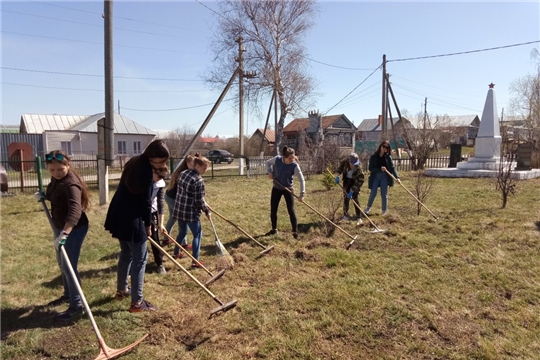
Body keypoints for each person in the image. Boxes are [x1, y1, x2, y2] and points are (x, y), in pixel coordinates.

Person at [104, 139, 170, 312]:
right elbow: (146, 202)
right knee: (140, 259)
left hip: (118, 213)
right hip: (131, 218)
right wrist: (148, 225)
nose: (162, 164)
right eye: (161, 161)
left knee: (126, 253)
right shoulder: (146, 171)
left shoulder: (134, 162)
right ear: (152, 156)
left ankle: (121, 290)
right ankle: (137, 303)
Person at [35, 150, 90, 322]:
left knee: (69, 267)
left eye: (60, 169)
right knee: (62, 263)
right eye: (52, 170)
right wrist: (44, 196)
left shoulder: (71, 184)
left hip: (74, 229)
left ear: (68, 165)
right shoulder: (56, 180)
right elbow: (55, 193)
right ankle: (68, 295)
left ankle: (76, 307)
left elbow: (75, 211)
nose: (56, 173)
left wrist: (65, 233)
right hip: (60, 227)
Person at [172, 156, 211, 266]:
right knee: (197, 235)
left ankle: (176, 253)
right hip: (190, 213)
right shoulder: (198, 180)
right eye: (204, 168)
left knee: (182, 232)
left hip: (179, 210)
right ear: (197, 166)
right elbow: (199, 200)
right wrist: (207, 211)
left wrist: (205, 205)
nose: (205, 171)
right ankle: (195, 261)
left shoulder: (183, 173)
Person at [265, 146, 305, 239]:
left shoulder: (294, 165)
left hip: (288, 189)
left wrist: (302, 194)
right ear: (284, 157)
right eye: (290, 158)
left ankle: (295, 232)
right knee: (273, 209)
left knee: (291, 210)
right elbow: (267, 163)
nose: (292, 159)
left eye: (293, 157)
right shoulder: (277, 159)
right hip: (276, 188)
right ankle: (274, 230)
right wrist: (269, 172)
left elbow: (302, 179)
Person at [164, 153, 199, 249]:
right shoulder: (183, 173)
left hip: (169, 196)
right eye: (193, 164)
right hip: (173, 198)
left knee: (173, 217)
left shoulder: (184, 171)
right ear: (187, 163)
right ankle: (183, 243)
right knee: (182, 219)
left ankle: (166, 238)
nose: (194, 167)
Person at [364, 140, 401, 216]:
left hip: (384, 177)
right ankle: (368, 207)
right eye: (383, 146)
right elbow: (370, 168)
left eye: (386, 147)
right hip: (375, 177)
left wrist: (397, 177)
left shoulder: (388, 157)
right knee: (373, 193)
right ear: (380, 146)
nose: (384, 148)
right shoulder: (374, 157)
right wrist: (380, 169)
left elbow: (393, 168)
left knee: (384, 194)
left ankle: (384, 211)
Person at [149, 165, 168, 274]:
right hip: (139, 212)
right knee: (139, 240)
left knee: (155, 238)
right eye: (159, 176)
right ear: (153, 171)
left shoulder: (159, 184)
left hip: (152, 211)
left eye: (163, 177)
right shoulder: (143, 180)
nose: (160, 179)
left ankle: (159, 263)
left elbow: (161, 204)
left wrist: (161, 224)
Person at [335, 152, 365, 221]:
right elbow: (340, 168)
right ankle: (345, 215)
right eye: (352, 163)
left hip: (355, 181)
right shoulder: (345, 162)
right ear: (349, 161)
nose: (353, 164)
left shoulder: (358, 168)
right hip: (346, 180)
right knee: (346, 198)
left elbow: (360, 181)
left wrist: (352, 190)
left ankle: (358, 216)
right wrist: (337, 176)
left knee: (355, 198)